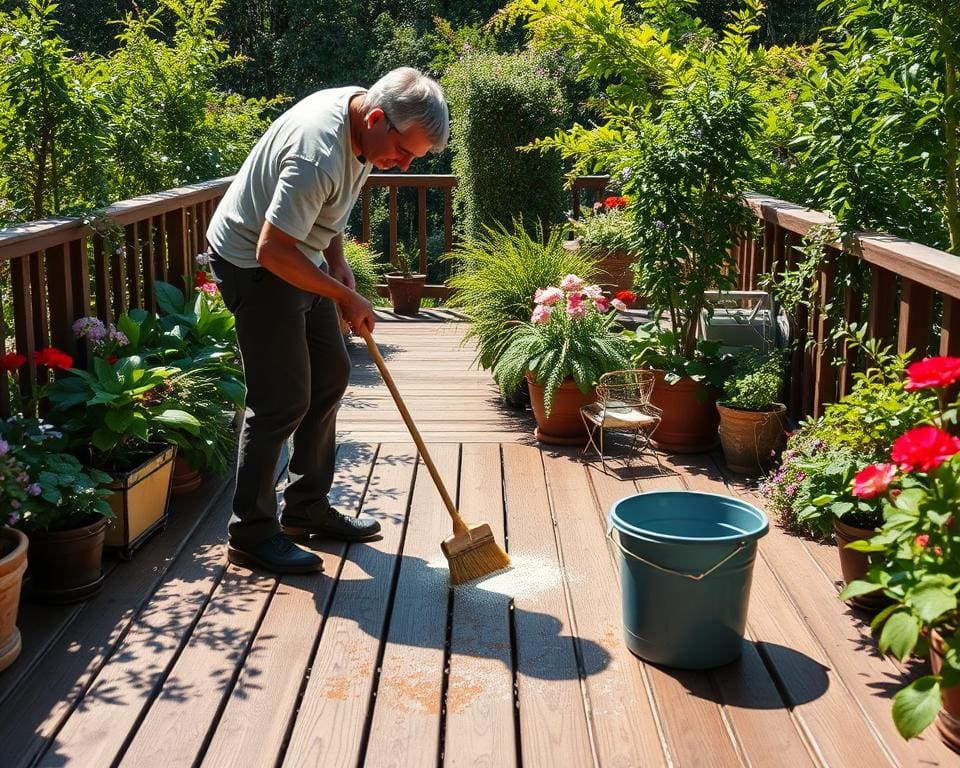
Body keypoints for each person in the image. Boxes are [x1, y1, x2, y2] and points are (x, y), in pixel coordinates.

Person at [206, 68, 449, 574]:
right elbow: (272, 250)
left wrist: (338, 265)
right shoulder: (317, 149)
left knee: (332, 374)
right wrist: (342, 293)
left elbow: (325, 212)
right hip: (254, 263)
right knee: (280, 401)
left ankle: (306, 509)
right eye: (404, 153)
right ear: (379, 119)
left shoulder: (362, 123)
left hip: (301, 256)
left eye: (413, 160)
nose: (402, 167)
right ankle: (250, 534)